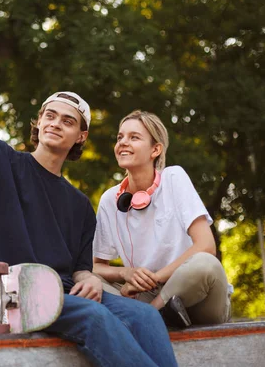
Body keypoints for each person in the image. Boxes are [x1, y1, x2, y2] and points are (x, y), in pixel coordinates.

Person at [0, 39, 179, 367]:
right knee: (95, 317)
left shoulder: (81, 205)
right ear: (38, 123)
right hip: (5, 295)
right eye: (50, 116)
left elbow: (80, 266)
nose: (56, 123)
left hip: (63, 296)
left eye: (68, 121)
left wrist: (94, 279)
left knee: (144, 315)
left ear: (80, 137)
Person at [93, 110, 231, 328]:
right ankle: (158, 312)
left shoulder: (173, 178)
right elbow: (96, 267)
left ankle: (148, 315)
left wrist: (155, 278)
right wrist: (125, 273)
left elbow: (206, 245)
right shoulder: (110, 200)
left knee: (207, 265)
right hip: (144, 294)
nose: (123, 143)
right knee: (85, 281)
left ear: (155, 150)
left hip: (195, 295)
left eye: (134, 137)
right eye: (120, 137)